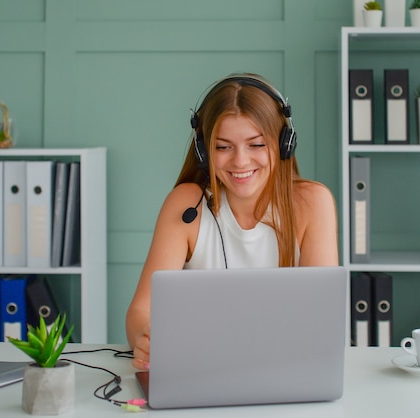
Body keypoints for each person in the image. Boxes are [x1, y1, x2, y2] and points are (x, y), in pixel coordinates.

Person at [125, 73, 339, 370]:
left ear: (283, 144)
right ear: (203, 152)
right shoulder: (187, 205)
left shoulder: (312, 204)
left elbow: (322, 319)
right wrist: (144, 337)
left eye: (256, 145)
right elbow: (141, 309)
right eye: (223, 147)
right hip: (198, 369)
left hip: (286, 369)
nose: (240, 162)